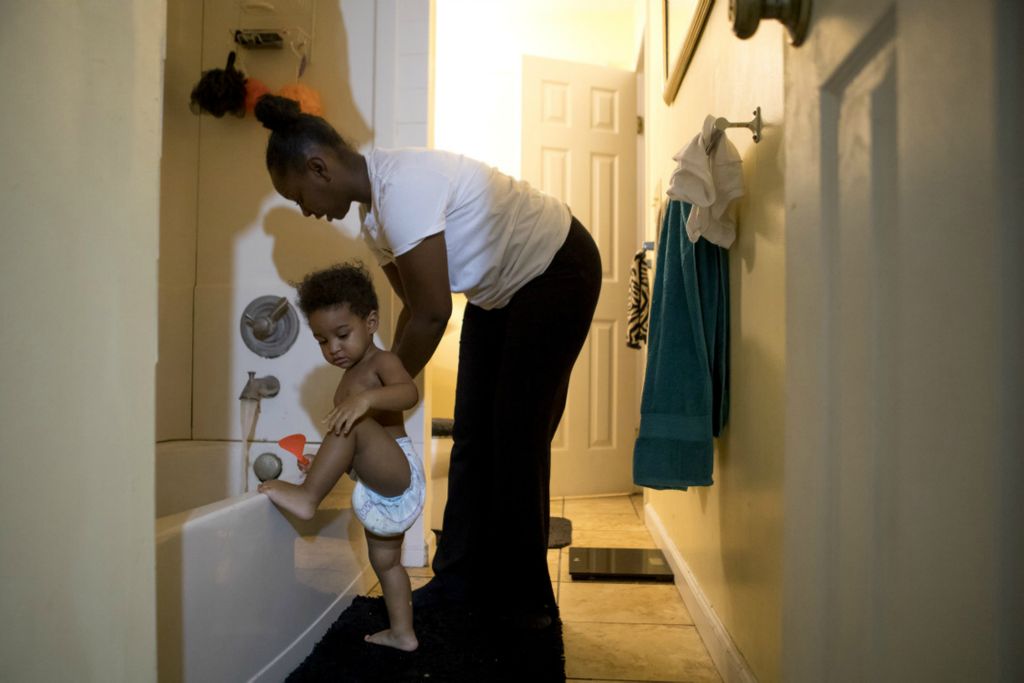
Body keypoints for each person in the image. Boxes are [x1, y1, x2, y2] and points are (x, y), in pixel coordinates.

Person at [254, 94, 602, 630]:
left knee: (514, 439)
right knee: (471, 438)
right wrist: (382, 394)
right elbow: (412, 311)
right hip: (500, 292)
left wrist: (375, 392)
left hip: (557, 269)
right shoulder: (374, 221)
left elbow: (435, 313)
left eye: (299, 196)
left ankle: (528, 604)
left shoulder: (402, 189)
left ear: (318, 167)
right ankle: (460, 580)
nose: (307, 211)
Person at [259, 262, 424, 652]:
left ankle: (307, 496)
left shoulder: (382, 363)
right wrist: (321, 462)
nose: (333, 348)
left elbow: (408, 394)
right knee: (386, 563)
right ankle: (403, 633)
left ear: (370, 322)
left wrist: (366, 399)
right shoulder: (345, 381)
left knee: (355, 422)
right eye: (322, 340)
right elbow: (353, 449)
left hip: (398, 472)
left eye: (342, 334)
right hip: (378, 487)